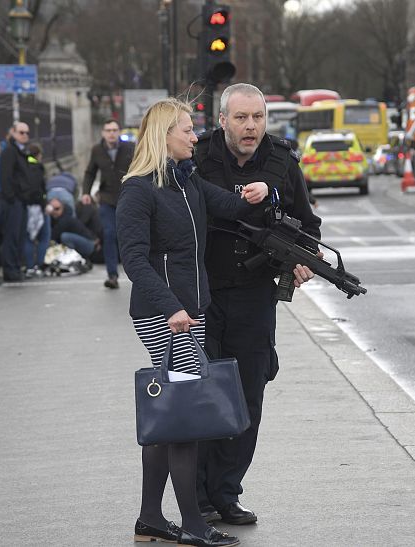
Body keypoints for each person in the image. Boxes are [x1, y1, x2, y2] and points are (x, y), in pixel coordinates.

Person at [116, 98, 269, 547]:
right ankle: (193, 526)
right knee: (183, 418)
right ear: (164, 135)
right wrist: (170, 307)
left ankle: (150, 518)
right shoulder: (138, 188)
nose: (194, 136)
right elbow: (134, 259)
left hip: (189, 310)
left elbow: (234, 206)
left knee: (172, 417)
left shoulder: (187, 182)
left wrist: (263, 191)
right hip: (165, 314)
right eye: (186, 129)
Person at [193, 83, 321, 525]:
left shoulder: (282, 161)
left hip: (254, 294)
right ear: (223, 119)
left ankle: (226, 493)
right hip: (202, 294)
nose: (251, 127)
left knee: (248, 394)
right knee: (204, 393)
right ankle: (199, 497)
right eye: (242, 118)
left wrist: (303, 261)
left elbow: (309, 226)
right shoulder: (197, 156)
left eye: (258, 118)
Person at [82, 118, 135, 289]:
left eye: (114, 130)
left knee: (131, 236)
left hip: (128, 198)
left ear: (118, 132)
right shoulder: (97, 150)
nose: (111, 134)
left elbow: (141, 167)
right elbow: (90, 172)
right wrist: (85, 193)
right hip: (106, 199)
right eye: (108, 130)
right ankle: (112, 275)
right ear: (103, 133)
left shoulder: (130, 148)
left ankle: (138, 274)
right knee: (109, 234)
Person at [0, 121, 33, 282]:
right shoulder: (10, 152)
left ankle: (16, 267)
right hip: (13, 201)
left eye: (26, 133)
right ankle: (10, 269)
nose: (24, 135)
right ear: (13, 133)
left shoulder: (22, 152)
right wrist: (11, 197)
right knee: (11, 236)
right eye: (21, 132)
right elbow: (5, 177)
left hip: (21, 200)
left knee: (19, 236)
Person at [22, 143, 50, 277]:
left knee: (28, 237)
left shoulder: (22, 166)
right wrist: (44, 204)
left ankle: (28, 267)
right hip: (38, 206)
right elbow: (40, 189)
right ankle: (38, 265)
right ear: (38, 155)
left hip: (25, 206)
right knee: (44, 235)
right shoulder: (38, 168)